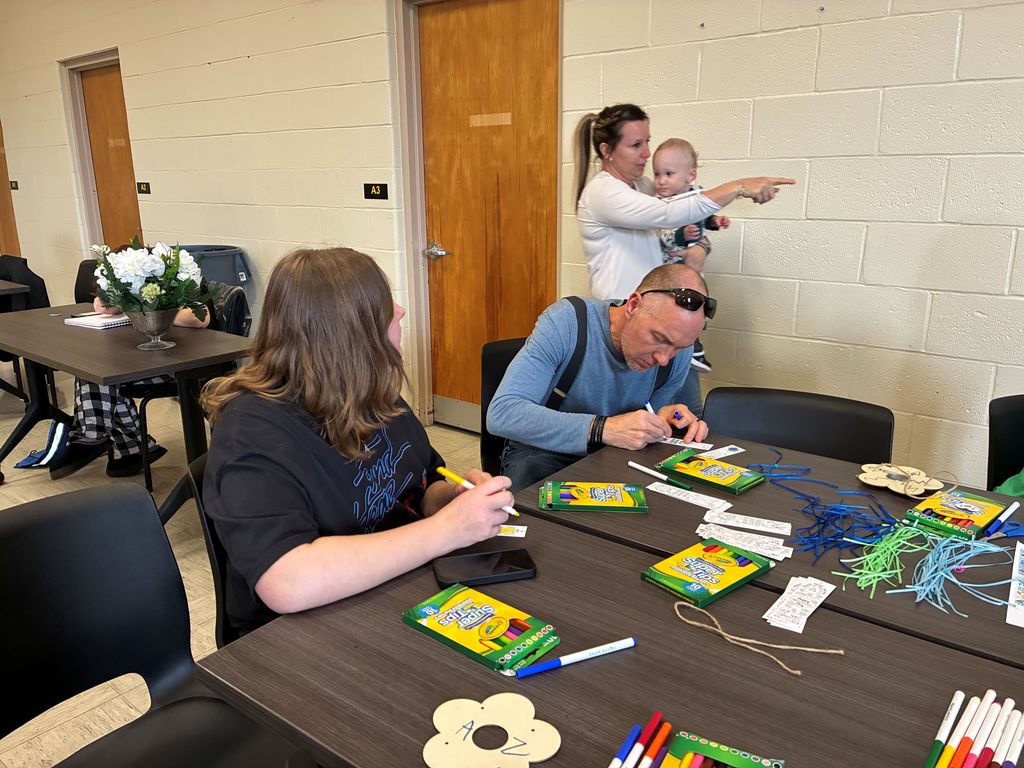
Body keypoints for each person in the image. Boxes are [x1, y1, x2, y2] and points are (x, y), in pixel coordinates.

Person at [200, 247, 513, 635]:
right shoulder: (253, 430)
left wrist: (451, 499)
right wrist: (445, 530)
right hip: (296, 636)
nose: (399, 310)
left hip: (389, 593)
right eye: (382, 307)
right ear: (351, 333)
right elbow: (287, 580)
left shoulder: (369, 393)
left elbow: (421, 482)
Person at [487, 263, 713, 491]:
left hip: (616, 454)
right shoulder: (568, 322)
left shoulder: (679, 354)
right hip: (544, 451)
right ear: (633, 305)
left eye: (679, 346)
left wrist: (664, 419)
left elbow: (643, 421)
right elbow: (503, 413)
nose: (664, 358)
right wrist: (602, 429)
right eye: (658, 337)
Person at [573, 102, 794, 302]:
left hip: (650, 305)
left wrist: (701, 246)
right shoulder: (602, 193)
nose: (647, 153)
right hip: (619, 310)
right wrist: (740, 186)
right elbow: (670, 212)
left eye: (647, 142)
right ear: (606, 150)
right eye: (636, 145)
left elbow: (687, 210)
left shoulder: (643, 186)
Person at [48, 296, 212, 480]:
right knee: (95, 369)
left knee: (104, 373)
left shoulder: (181, 276)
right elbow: (105, 303)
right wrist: (113, 304)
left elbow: (198, 318)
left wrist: (138, 312)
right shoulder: (132, 277)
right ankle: (132, 448)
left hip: (177, 361)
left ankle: (97, 436)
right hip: (142, 356)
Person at [651, 137, 729, 417]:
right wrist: (684, 238)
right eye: (657, 173)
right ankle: (691, 346)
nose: (661, 181)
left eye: (668, 174)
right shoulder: (660, 204)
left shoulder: (696, 197)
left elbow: (705, 218)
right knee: (677, 307)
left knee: (696, 305)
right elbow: (663, 232)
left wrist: (714, 224)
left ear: (690, 175)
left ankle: (694, 344)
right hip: (669, 270)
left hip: (690, 274)